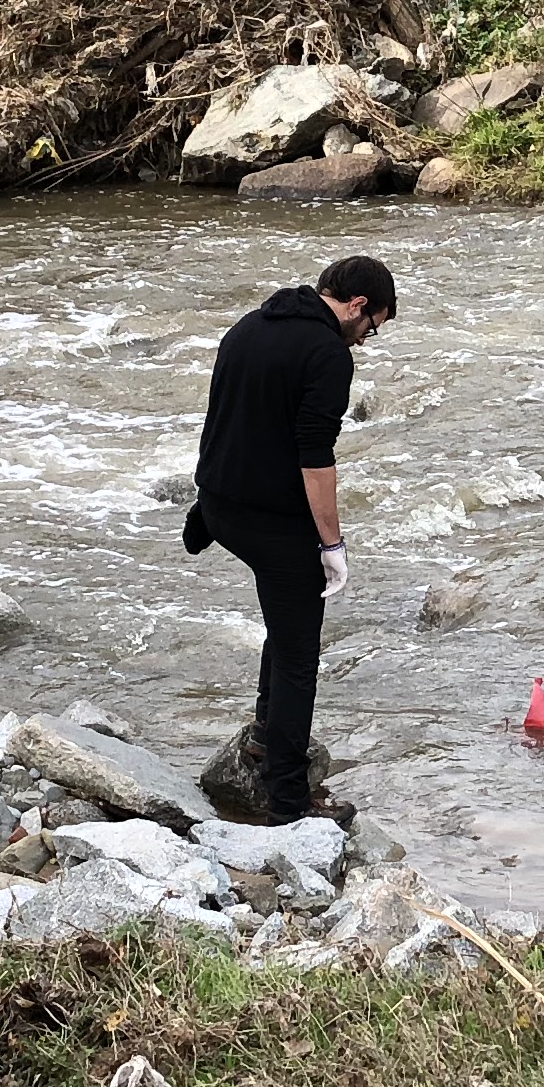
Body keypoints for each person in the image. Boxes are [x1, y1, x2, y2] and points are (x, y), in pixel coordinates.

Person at [184, 253, 393, 824]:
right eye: (371, 327)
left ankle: (262, 736)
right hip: (269, 521)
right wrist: (332, 544)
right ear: (356, 305)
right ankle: (288, 803)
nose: (364, 340)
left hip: (220, 506)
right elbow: (314, 456)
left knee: (284, 621)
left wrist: (208, 502)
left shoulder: (249, 325)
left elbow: (224, 416)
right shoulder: (326, 353)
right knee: (301, 653)